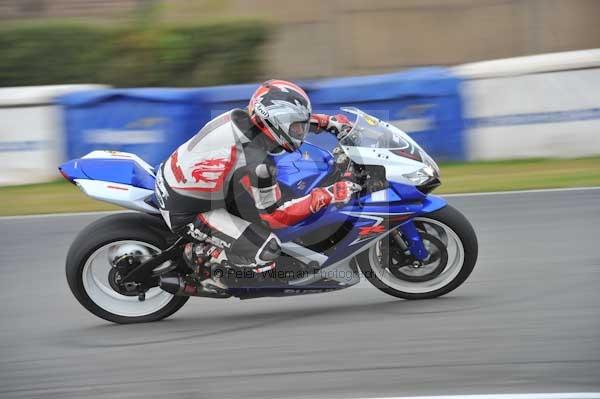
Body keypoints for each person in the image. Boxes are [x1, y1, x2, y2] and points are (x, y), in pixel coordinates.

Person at [154, 79, 358, 273]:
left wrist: (326, 122)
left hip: (196, 184)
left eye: (301, 126)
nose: (300, 132)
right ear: (277, 123)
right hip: (187, 210)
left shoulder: (247, 119)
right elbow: (275, 217)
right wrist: (326, 195)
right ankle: (205, 259)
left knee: (287, 192)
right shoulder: (256, 162)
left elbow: (280, 120)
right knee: (267, 250)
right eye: (296, 127)